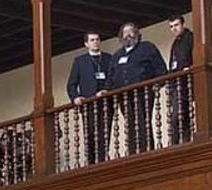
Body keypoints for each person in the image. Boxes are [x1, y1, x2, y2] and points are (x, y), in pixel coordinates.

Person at [109, 22, 167, 155]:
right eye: (125, 32)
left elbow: (160, 68)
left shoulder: (147, 48)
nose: (128, 35)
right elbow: (111, 77)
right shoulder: (117, 55)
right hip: (124, 96)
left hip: (143, 92)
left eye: (131, 31)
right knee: (130, 123)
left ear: (137, 33)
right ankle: (133, 151)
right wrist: (108, 90)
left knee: (142, 121)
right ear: (121, 36)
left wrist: (159, 82)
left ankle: (146, 150)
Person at [66, 31, 115, 166]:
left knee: (105, 133)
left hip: (105, 103)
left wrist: (107, 90)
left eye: (97, 39)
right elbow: (71, 84)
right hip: (88, 104)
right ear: (86, 44)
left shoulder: (109, 58)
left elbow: (113, 78)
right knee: (90, 135)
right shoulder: (80, 61)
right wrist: (75, 97)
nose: (95, 42)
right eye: (92, 40)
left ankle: (103, 160)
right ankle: (92, 163)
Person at [167, 16, 194, 145]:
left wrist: (189, 68)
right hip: (176, 83)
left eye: (176, 25)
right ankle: (178, 142)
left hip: (187, 82)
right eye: (171, 26)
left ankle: (179, 142)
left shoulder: (190, 38)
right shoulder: (175, 43)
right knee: (178, 115)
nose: (174, 29)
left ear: (183, 24)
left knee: (181, 115)